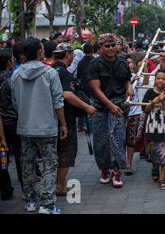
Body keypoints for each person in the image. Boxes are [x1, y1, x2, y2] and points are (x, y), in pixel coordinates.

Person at [11, 38, 67, 214]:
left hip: (25, 127)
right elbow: (58, 101)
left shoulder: (16, 75)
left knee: (27, 164)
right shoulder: (50, 73)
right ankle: (47, 204)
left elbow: (15, 103)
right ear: (40, 52)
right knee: (49, 165)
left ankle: (30, 201)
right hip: (47, 127)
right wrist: (63, 124)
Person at [88, 34, 133, 188]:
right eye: (107, 46)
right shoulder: (95, 65)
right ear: (100, 48)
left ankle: (116, 171)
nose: (111, 48)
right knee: (101, 140)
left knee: (117, 139)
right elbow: (96, 89)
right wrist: (110, 106)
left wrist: (129, 87)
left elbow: (127, 80)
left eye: (113, 45)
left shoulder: (122, 62)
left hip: (119, 105)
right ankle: (104, 170)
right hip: (101, 107)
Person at [52, 43, 96, 196]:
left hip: (50, 120)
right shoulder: (65, 74)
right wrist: (86, 107)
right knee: (67, 154)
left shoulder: (50, 70)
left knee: (57, 153)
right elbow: (67, 95)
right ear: (68, 54)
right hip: (65, 120)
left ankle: (62, 183)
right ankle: (59, 186)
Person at [142, 69, 165, 190]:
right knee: (154, 151)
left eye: (163, 79)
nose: (160, 81)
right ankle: (154, 167)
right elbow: (145, 110)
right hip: (152, 127)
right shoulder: (149, 93)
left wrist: (162, 101)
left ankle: (162, 177)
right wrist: (154, 101)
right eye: (158, 78)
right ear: (155, 79)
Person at [0, 49, 22, 200]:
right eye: (12, 59)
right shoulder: (11, 80)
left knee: (3, 157)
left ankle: (6, 189)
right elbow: (17, 103)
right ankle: (25, 188)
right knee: (21, 156)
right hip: (14, 123)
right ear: (9, 62)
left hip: (1, 125)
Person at [124, 59, 149, 175]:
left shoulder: (135, 76)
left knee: (131, 138)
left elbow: (145, 82)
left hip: (134, 112)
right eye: (129, 68)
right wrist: (130, 81)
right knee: (120, 138)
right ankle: (121, 161)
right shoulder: (119, 77)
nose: (131, 70)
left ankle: (128, 164)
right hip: (121, 111)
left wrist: (144, 68)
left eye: (132, 68)